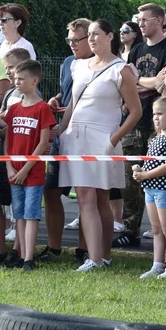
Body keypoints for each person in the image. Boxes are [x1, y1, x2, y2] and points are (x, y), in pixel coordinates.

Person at [55, 19, 142, 272]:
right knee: (85, 196)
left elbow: (135, 111)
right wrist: (62, 130)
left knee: (101, 197)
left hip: (103, 137)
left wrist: (113, 139)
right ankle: (95, 257)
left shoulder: (121, 69)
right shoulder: (78, 66)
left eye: (96, 34)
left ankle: (101, 257)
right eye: (89, 35)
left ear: (110, 36)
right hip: (77, 135)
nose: (92, 39)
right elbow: (72, 103)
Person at [118, 3, 166, 248]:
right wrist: (148, 81)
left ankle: (164, 235)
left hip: (160, 123)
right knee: (130, 177)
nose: (141, 23)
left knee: (158, 177)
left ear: (158, 20)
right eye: (139, 19)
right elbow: (129, 83)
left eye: (145, 19)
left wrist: (144, 82)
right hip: (135, 119)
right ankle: (130, 229)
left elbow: (164, 84)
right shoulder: (136, 48)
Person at [43, 19, 93, 260]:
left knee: (86, 194)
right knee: (51, 191)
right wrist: (57, 97)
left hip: (86, 135)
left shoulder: (101, 64)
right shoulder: (67, 62)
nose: (72, 45)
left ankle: (84, 249)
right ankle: (54, 248)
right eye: (69, 40)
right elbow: (68, 89)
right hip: (62, 135)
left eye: (76, 40)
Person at [2, 60, 56, 271]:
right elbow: (7, 139)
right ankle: (21, 254)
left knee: (31, 214)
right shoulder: (13, 108)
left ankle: (28, 258)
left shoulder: (42, 108)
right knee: (19, 215)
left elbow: (43, 143)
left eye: (21, 78)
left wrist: (25, 168)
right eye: (15, 78)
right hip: (13, 170)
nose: (17, 82)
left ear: (34, 80)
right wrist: (9, 167)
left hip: (32, 172)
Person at [132, 96, 166, 280]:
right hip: (150, 189)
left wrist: (145, 175)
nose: (156, 117)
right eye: (154, 114)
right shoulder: (154, 138)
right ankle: (157, 265)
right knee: (156, 230)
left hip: (165, 190)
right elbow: (151, 163)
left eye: (160, 114)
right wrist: (140, 171)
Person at [0, 47, 31, 262]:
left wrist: (6, 125)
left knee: (20, 205)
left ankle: (18, 249)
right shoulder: (7, 94)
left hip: (21, 157)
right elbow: (1, 122)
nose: (8, 73)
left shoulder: (32, 95)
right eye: (7, 69)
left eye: (12, 68)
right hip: (1, 152)